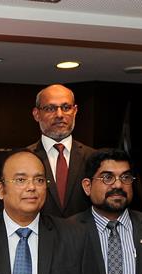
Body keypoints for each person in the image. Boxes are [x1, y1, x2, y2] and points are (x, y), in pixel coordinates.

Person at [27, 84, 94, 219]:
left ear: (75, 111)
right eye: (50, 108)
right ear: (36, 114)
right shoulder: (22, 159)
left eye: (66, 107)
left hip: (83, 238)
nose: (59, 115)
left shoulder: (94, 158)